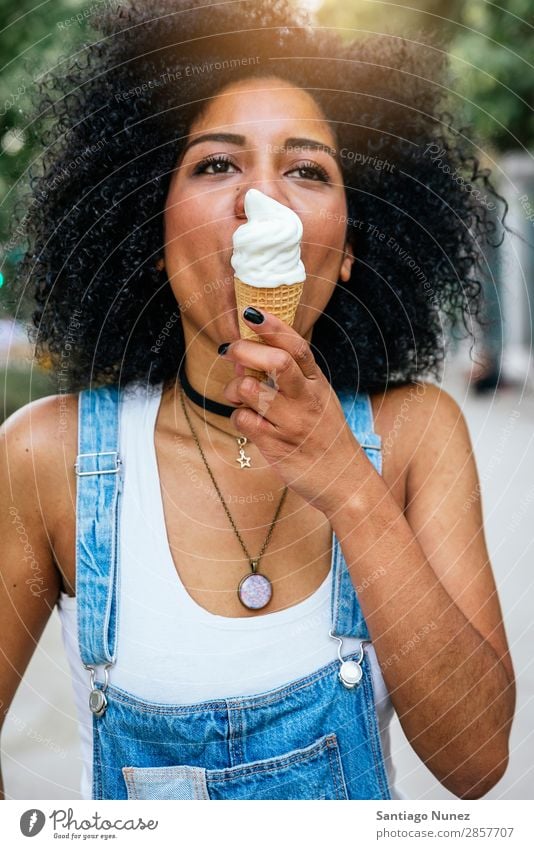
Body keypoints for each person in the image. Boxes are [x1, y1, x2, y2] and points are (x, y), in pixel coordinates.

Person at [0, 0, 515, 800]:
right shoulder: (46, 457)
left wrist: (350, 485)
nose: (262, 202)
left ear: (346, 251)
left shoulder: (417, 433)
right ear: (155, 224)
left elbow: (478, 759)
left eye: (307, 169)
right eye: (216, 165)